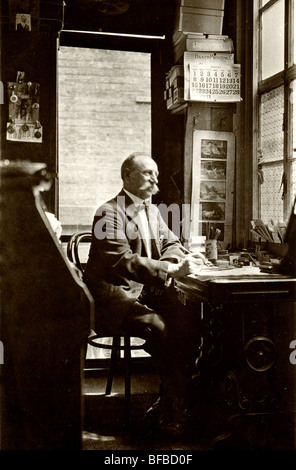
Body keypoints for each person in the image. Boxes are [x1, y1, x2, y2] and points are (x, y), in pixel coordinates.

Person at [83, 152, 205, 437]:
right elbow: (123, 261)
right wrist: (172, 271)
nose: (155, 180)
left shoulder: (151, 210)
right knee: (158, 326)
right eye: (148, 173)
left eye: (157, 174)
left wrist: (177, 261)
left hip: (145, 294)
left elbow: (171, 243)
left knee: (189, 318)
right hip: (113, 298)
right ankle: (176, 408)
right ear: (126, 174)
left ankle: (169, 400)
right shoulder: (108, 212)